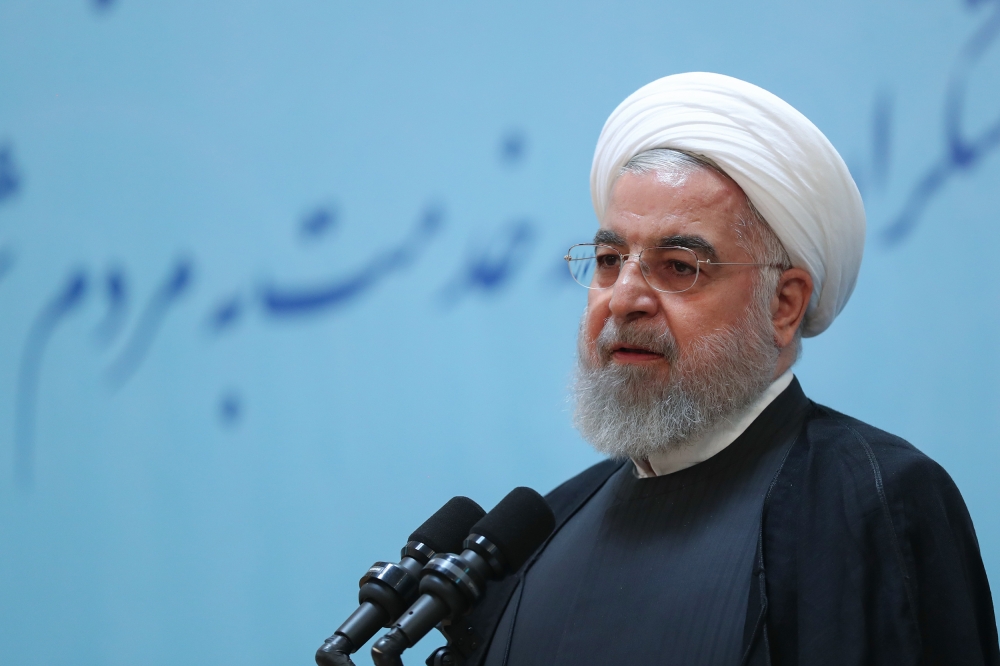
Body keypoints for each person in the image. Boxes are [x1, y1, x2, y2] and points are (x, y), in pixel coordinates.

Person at [460, 73, 1000, 665]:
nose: (622, 298)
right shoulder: (547, 526)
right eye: (611, 260)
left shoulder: (869, 501)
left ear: (783, 304)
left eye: (679, 266)